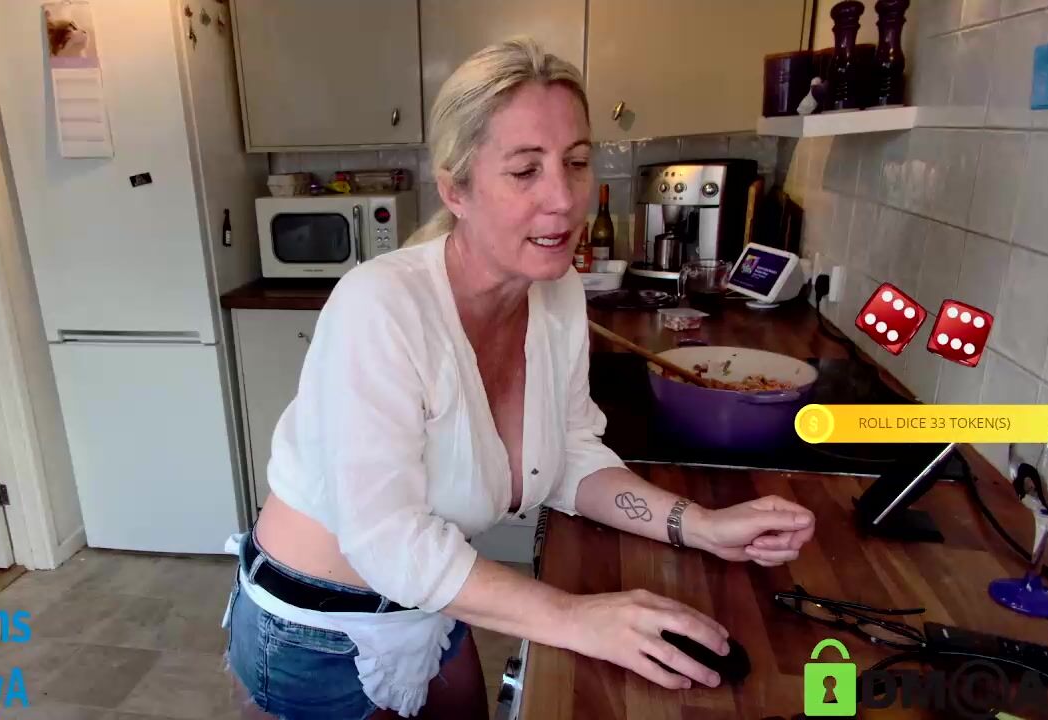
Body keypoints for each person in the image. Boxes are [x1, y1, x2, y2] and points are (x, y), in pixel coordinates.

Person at [221, 37, 816, 720]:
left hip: (431, 592)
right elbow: (386, 540)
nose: (562, 199)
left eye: (576, 163)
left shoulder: (555, 294)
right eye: (525, 170)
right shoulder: (379, 306)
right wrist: (574, 617)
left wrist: (698, 525)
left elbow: (572, 456)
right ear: (457, 189)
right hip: (316, 630)